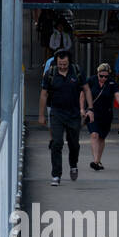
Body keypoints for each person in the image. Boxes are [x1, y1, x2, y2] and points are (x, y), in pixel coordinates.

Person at [37, 49, 88, 186]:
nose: (62, 66)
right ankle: (56, 175)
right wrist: (41, 115)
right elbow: (44, 94)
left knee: (74, 144)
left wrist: (90, 109)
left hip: (73, 114)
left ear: (69, 62)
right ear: (56, 62)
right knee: (57, 142)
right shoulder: (50, 74)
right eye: (60, 64)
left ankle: (73, 164)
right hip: (57, 113)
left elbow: (86, 89)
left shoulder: (77, 71)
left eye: (65, 64)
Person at [86, 62, 119, 171]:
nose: (104, 78)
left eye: (106, 76)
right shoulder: (91, 80)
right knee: (94, 135)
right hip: (93, 113)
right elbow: (83, 94)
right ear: (97, 73)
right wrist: (82, 108)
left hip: (106, 114)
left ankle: (98, 160)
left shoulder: (111, 83)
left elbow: (117, 95)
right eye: (101, 76)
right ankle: (95, 161)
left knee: (101, 137)